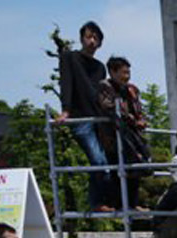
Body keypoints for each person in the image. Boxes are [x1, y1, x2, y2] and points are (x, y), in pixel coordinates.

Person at [55, 21, 111, 211]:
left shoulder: (100, 67)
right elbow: (66, 84)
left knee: (109, 161)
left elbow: (102, 93)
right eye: (89, 36)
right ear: (81, 38)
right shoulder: (69, 58)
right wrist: (66, 110)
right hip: (81, 118)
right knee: (98, 160)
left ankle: (103, 201)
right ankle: (96, 202)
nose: (92, 41)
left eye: (96, 38)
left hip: (99, 119)